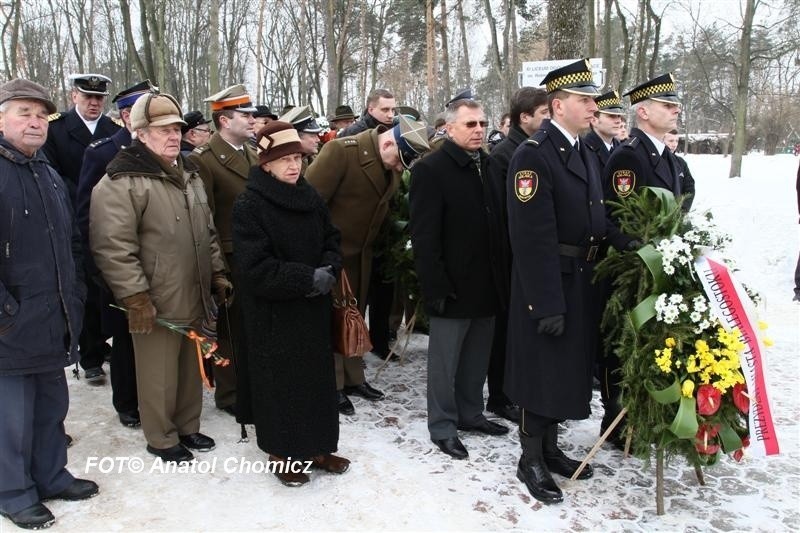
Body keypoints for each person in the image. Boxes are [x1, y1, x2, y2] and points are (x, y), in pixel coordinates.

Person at [505, 59, 631, 504]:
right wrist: (546, 303)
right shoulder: (533, 156)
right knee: (541, 372)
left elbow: (597, 216)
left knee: (566, 371)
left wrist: (630, 244)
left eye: (593, 100)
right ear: (558, 105)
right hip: (550, 283)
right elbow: (531, 238)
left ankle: (551, 449)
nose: (593, 107)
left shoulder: (582, 150)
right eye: (585, 100)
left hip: (582, 280)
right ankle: (530, 459)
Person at [90, 93, 229, 463]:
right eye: (163, 129)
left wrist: (217, 273)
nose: (173, 136)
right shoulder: (122, 180)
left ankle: (187, 425)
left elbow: (208, 231)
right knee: (158, 372)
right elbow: (113, 247)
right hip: (155, 298)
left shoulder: (190, 173)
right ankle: (162, 437)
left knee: (188, 366)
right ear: (140, 133)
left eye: (177, 129)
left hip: (193, 290)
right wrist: (135, 297)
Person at [0, 78, 99, 530]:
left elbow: (73, 243)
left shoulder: (47, 172)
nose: (35, 121)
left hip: (53, 317)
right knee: (10, 418)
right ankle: (13, 491)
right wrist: (6, 315)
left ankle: (50, 475)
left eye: (42, 114)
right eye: (24, 112)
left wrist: (75, 295)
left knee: (51, 407)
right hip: (10, 325)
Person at [232, 121, 348, 487]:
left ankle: (317, 446)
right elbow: (255, 268)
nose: (293, 165)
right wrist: (305, 278)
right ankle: (282, 452)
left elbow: (332, 236)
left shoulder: (309, 195)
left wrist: (330, 266)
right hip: (274, 314)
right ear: (266, 163)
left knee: (315, 380)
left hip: (312, 309)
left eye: (297, 156)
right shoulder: (250, 204)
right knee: (280, 384)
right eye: (284, 159)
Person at [306, 115, 430, 415]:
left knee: (354, 317)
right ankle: (330, 385)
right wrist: (319, 256)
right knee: (332, 321)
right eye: (399, 161)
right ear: (388, 142)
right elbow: (309, 203)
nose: (400, 169)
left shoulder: (389, 162)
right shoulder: (341, 152)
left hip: (362, 255)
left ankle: (352, 377)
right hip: (330, 255)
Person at [409, 98, 509, 461]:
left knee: (476, 359)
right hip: (451, 286)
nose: (479, 130)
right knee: (445, 363)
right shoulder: (431, 170)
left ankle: (470, 413)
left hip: (487, 283)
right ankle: (443, 425)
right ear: (449, 128)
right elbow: (424, 237)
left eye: (482, 123)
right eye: (470, 124)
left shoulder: (490, 165)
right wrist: (434, 286)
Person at [76, 79, 157, 428]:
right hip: (120, 266)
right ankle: (128, 402)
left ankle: (155, 395)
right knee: (126, 337)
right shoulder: (103, 152)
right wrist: (99, 270)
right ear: (127, 116)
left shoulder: (162, 151)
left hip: (159, 262)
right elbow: (86, 216)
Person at [43, 73, 121, 385]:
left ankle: (105, 343)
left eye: (99, 98)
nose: (94, 103)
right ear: (74, 96)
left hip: (111, 218)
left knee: (108, 285)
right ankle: (89, 354)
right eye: (87, 97)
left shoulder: (112, 131)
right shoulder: (56, 128)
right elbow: (52, 173)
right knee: (85, 287)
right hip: (75, 217)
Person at [190, 84, 258, 417]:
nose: (251, 120)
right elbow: (205, 219)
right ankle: (230, 393)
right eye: (245, 115)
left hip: (255, 255)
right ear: (223, 120)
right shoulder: (204, 160)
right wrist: (216, 267)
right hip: (228, 257)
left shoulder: (252, 154)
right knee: (229, 328)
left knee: (250, 326)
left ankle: (248, 384)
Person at [484, 86, 549, 424]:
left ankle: (513, 390)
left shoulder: (534, 150)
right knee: (505, 332)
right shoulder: (503, 156)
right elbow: (499, 216)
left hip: (527, 259)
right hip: (509, 260)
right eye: (543, 115)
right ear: (524, 118)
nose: (548, 120)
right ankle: (498, 396)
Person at [603, 73, 685, 208]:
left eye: (675, 105)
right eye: (667, 105)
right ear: (643, 113)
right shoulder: (628, 157)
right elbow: (621, 218)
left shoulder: (664, 152)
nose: (677, 110)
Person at [584, 90, 626, 169]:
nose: (618, 121)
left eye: (619, 116)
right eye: (611, 116)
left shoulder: (622, 149)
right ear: (594, 121)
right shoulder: (585, 150)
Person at [279, 105, 322, 172]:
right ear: (296, 137)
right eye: (312, 135)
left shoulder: (311, 159)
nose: (318, 140)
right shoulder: (282, 167)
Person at [663, 129, 696, 210]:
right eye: (670, 141)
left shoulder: (681, 162)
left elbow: (689, 187)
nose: (674, 144)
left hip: (677, 212)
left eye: (676, 141)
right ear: (661, 140)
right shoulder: (655, 161)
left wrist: (683, 209)